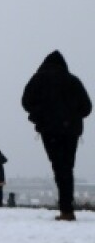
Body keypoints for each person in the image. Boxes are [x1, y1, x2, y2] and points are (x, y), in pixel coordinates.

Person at [22, 50, 92, 221]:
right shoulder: (73, 81)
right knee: (67, 167)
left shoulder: (38, 79)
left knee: (59, 166)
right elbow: (87, 107)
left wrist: (41, 114)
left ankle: (66, 209)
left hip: (50, 129)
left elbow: (26, 102)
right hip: (70, 131)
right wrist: (70, 115)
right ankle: (67, 208)